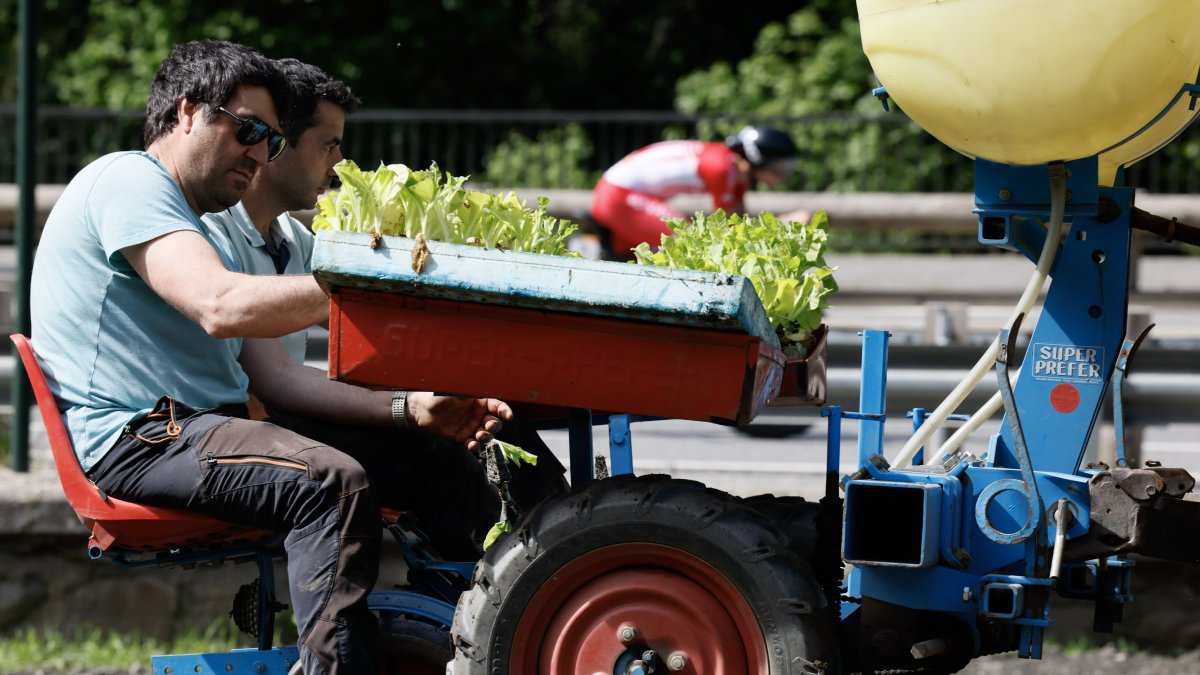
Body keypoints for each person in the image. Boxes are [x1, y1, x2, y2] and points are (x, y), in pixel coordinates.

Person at [30, 40, 510, 675]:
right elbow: (220, 304)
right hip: (142, 436)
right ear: (187, 112)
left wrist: (413, 403)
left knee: (441, 456)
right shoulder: (129, 179)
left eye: (273, 141)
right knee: (329, 484)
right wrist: (361, 292)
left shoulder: (197, 216)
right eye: (249, 130)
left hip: (200, 424)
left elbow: (270, 369)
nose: (258, 155)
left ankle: (500, 625)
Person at [200, 57, 566, 554]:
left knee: (488, 418)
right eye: (328, 145)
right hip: (255, 432)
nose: (339, 163)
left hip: (284, 414)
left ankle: (573, 543)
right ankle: (512, 592)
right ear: (276, 142)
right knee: (440, 454)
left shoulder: (294, 239)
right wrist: (408, 407)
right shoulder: (216, 233)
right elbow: (274, 381)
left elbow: (365, 344)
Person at [591, 125, 808, 258]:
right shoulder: (722, 168)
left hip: (619, 192)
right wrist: (782, 225)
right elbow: (729, 233)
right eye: (781, 168)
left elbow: (739, 224)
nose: (784, 175)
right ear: (759, 161)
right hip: (618, 196)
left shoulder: (734, 168)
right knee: (692, 242)